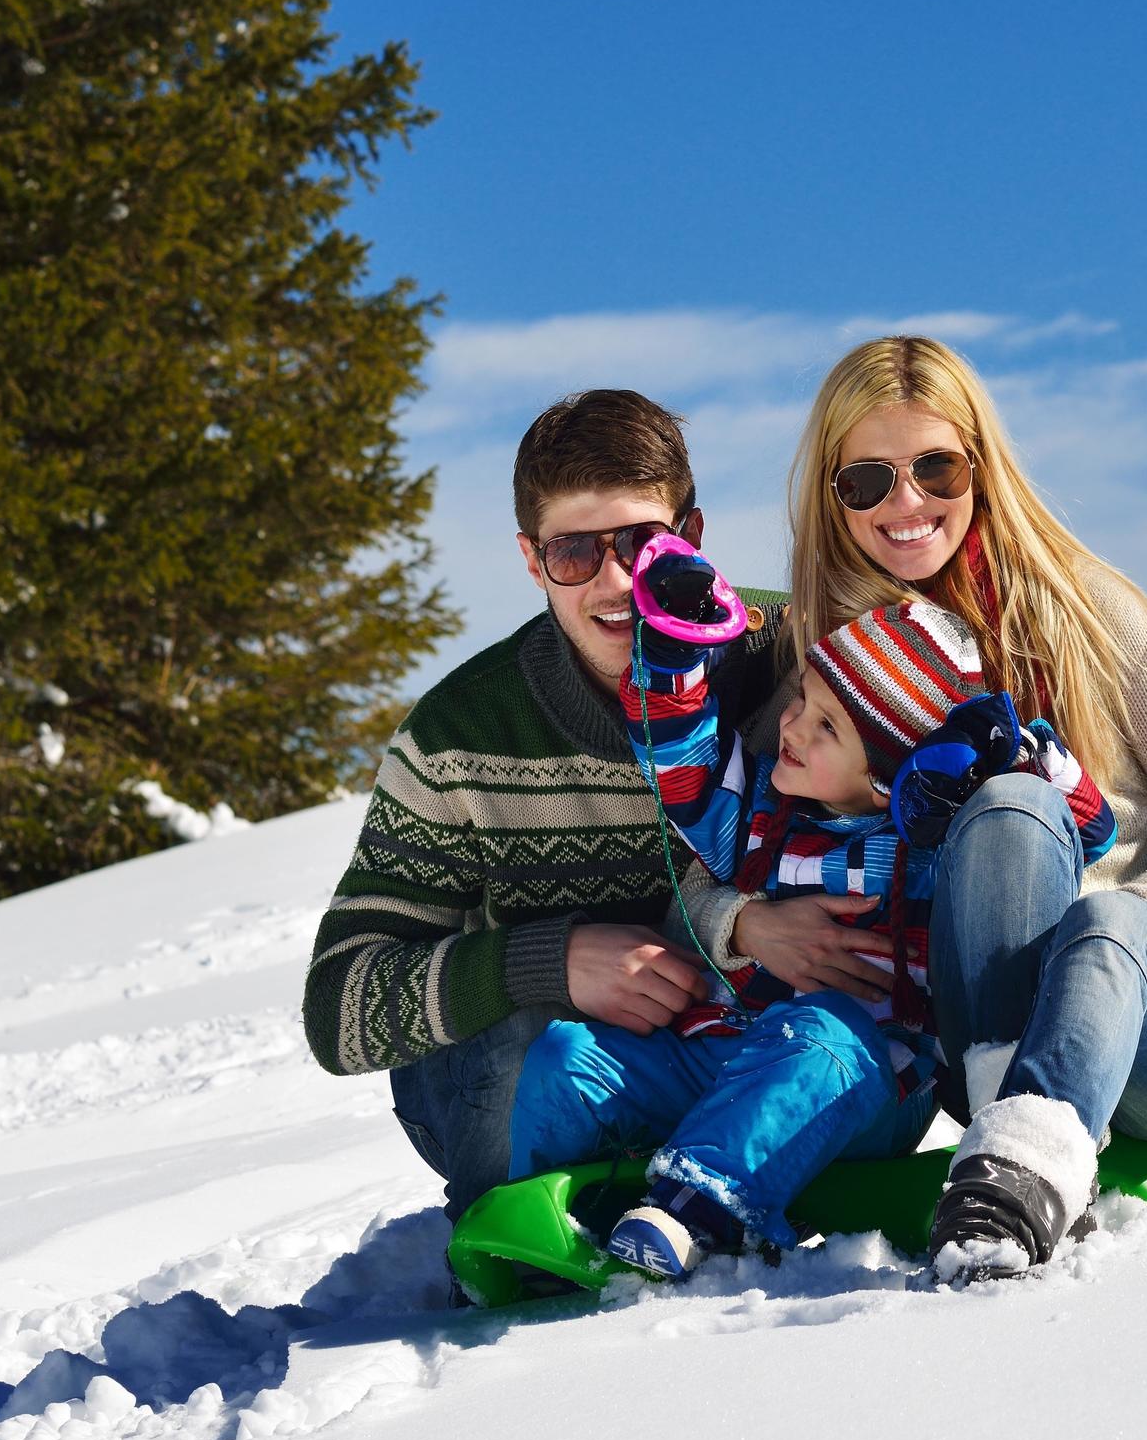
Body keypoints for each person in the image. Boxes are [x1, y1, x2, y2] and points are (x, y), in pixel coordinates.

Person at [785, 336, 1147, 1280]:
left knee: (1080, 888)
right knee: (1004, 806)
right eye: (867, 482)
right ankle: (1017, 1161)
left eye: (935, 468)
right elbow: (732, 832)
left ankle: (1031, 1145)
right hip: (987, 1050)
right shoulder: (825, 662)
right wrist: (741, 922)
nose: (907, 503)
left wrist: (1109, 962)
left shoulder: (1087, 611)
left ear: (981, 465)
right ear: (830, 495)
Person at [506, 538, 1116, 1277]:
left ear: (899, 774)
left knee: (820, 1028)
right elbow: (683, 764)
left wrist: (1015, 753)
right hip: (725, 1055)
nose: (790, 726)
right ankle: (540, 1219)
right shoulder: (764, 816)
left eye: (826, 727)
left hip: (856, 1086)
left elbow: (1085, 831)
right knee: (568, 1056)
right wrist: (671, 658)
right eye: (802, 699)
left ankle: (702, 1209)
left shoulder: (932, 850)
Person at [297, 390, 785, 1217]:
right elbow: (338, 1009)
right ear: (532, 561)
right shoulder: (460, 735)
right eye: (574, 553)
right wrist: (545, 963)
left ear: (691, 537)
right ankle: (524, 1251)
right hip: (514, 1073)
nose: (618, 580)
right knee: (536, 1039)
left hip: (730, 1051)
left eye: (642, 542)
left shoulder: (786, 657)